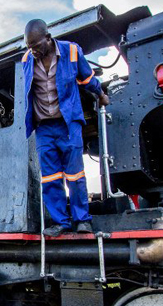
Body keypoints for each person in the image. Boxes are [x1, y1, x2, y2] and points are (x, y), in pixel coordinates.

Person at [22, 19, 109, 237]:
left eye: (36, 45)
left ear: (48, 38)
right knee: (50, 178)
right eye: (29, 47)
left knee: (75, 174)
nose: (32, 51)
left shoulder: (71, 51)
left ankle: (82, 220)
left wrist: (100, 94)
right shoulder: (26, 59)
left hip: (68, 124)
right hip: (43, 128)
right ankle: (61, 222)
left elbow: (87, 78)